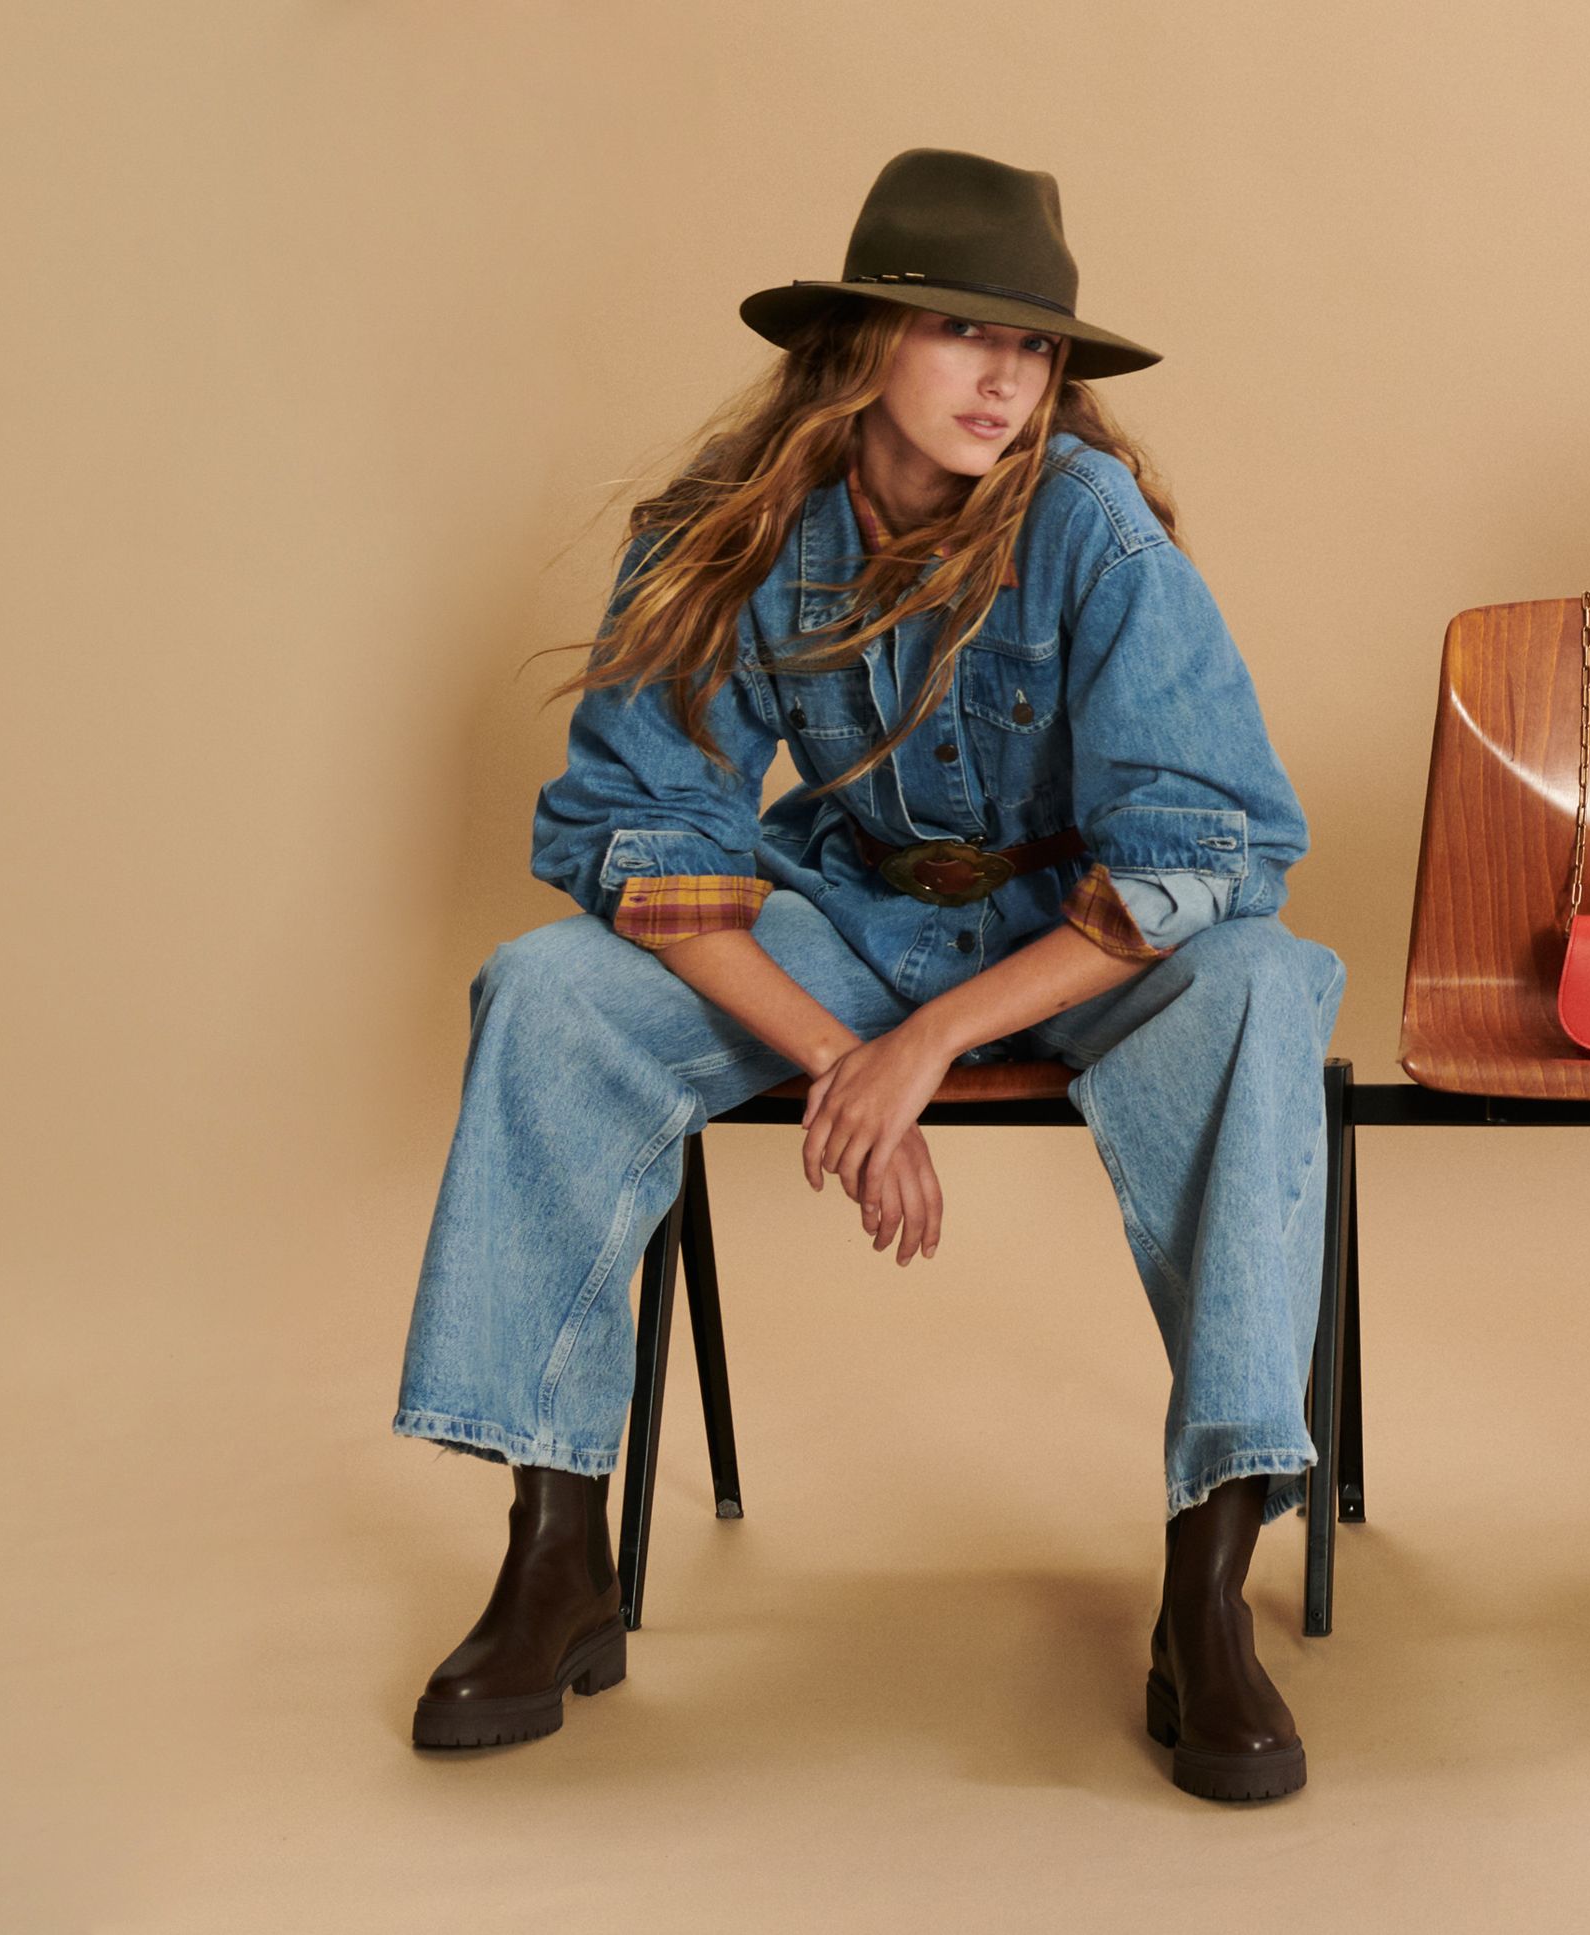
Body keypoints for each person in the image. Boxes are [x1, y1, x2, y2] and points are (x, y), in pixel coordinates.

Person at [389, 149, 1337, 1803]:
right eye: (965, 330)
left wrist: (936, 1046)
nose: (1006, 378)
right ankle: (554, 1549)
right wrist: (848, 1055)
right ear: (861, 345)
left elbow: (1201, 849)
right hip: (848, 917)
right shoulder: (729, 532)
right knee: (547, 987)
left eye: (1034, 345)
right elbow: (644, 837)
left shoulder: (1092, 534)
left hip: (1076, 944)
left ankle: (1210, 1580)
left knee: (1262, 982)